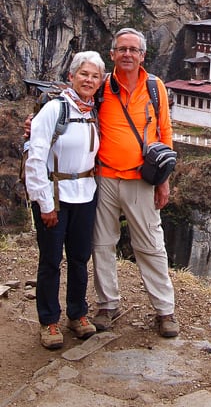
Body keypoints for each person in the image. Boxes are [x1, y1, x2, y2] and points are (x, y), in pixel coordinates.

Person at [91, 27, 179, 338]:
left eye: (133, 50)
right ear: (112, 54)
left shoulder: (155, 88)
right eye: (121, 49)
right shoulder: (100, 87)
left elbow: (165, 133)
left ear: (142, 56)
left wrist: (163, 181)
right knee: (102, 243)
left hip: (141, 178)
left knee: (151, 245)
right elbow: (69, 102)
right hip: (103, 177)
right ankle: (107, 304)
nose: (127, 54)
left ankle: (164, 310)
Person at [25, 50, 105, 350]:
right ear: (71, 76)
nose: (89, 80)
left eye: (95, 76)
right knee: (50, 260)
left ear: (100, 82)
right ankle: (48, 320)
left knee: (80, 257)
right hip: (55, 196)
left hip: (85, 194)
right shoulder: (54, 110)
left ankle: (78, 313)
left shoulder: (92, 112)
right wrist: (44, 204)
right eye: (84, 73)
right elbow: (35, 157)